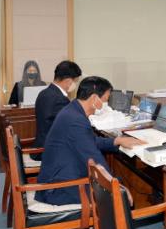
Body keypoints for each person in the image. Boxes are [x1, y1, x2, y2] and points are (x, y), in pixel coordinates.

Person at [36, 76, 144, 207]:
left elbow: (89, 141)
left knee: (115, 185)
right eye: (105, 100)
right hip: (58, 188)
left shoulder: (73, 110)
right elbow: (94, 158)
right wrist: (117, 186)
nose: (105, 104)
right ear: (94, 98)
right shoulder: (76, 119)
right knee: (118, 196)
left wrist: (117, 140)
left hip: (61, 176)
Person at [32, 61, 83, 160]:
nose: (75, 84)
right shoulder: (59, 99)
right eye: (75, 81)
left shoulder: (44, 93)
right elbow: (70, 126)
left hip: (42, 145)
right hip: (50, 151)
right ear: (68, 81)